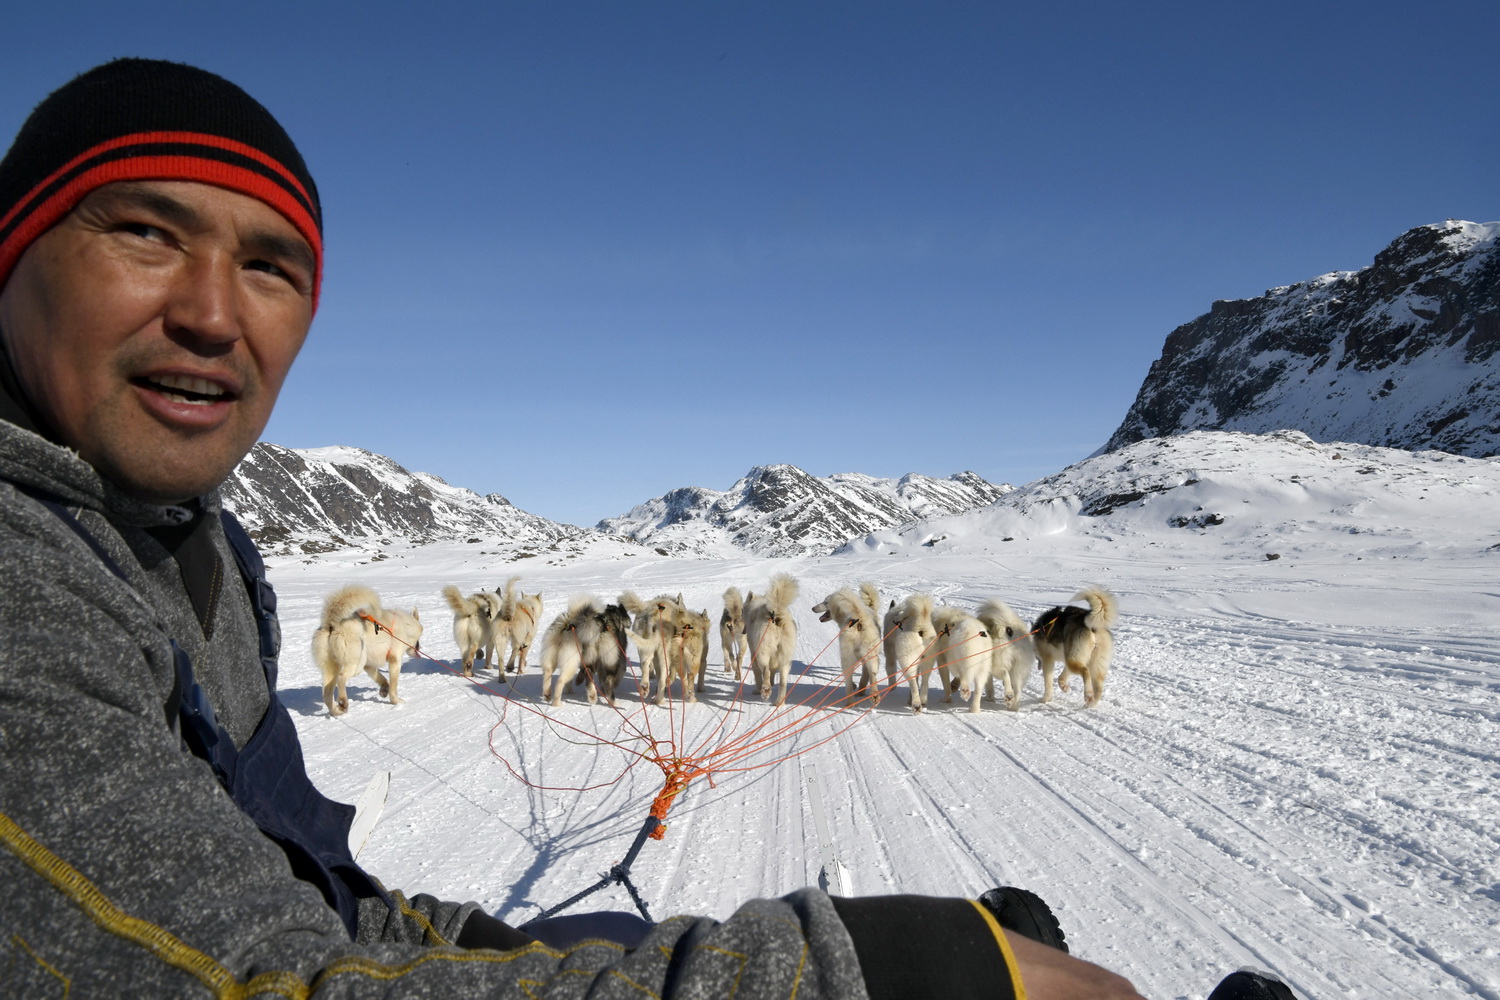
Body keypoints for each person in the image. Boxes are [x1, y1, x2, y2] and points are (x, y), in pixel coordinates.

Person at [0, 58, 1292, 1000]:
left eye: (272, 264)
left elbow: (319, 916)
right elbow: (262, 981)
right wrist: (899, 974)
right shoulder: (27, 577)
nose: (216, 314)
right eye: (144, 234)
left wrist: (629, 955)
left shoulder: (202, 553)